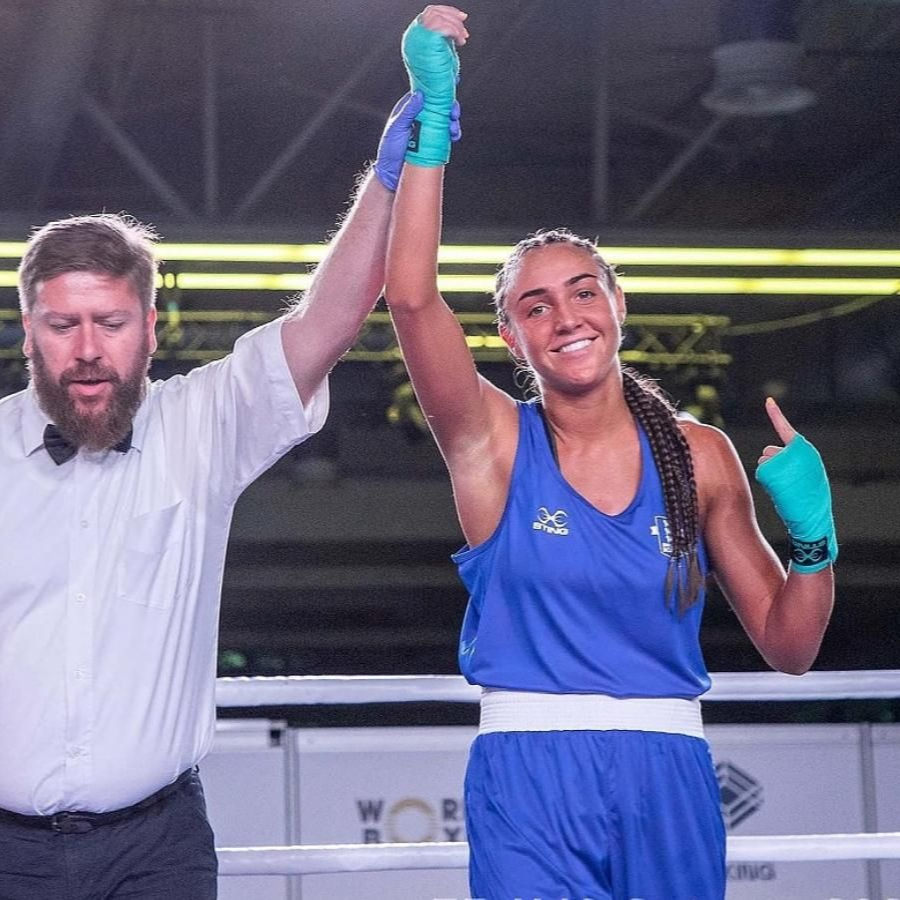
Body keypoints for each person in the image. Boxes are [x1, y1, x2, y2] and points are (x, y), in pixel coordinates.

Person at [385, 7, 837, 899]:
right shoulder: (491, 440)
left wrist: (816, 538)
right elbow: (409, 299)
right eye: (536, 306)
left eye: (582, 292)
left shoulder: (700, 456)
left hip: (669, 771)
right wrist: (431, 120)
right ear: (511, 337)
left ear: (618, 304)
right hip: (530, 772)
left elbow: (790, 647)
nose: (566, 317)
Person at [0, 50, 456, 897]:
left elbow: (326, 323)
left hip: (156, 847)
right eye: (64, 325)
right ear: (29, 331)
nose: (89, 349)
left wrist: (388, 180)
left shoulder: (200, 423)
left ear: (150, 329)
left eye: (111, 323)